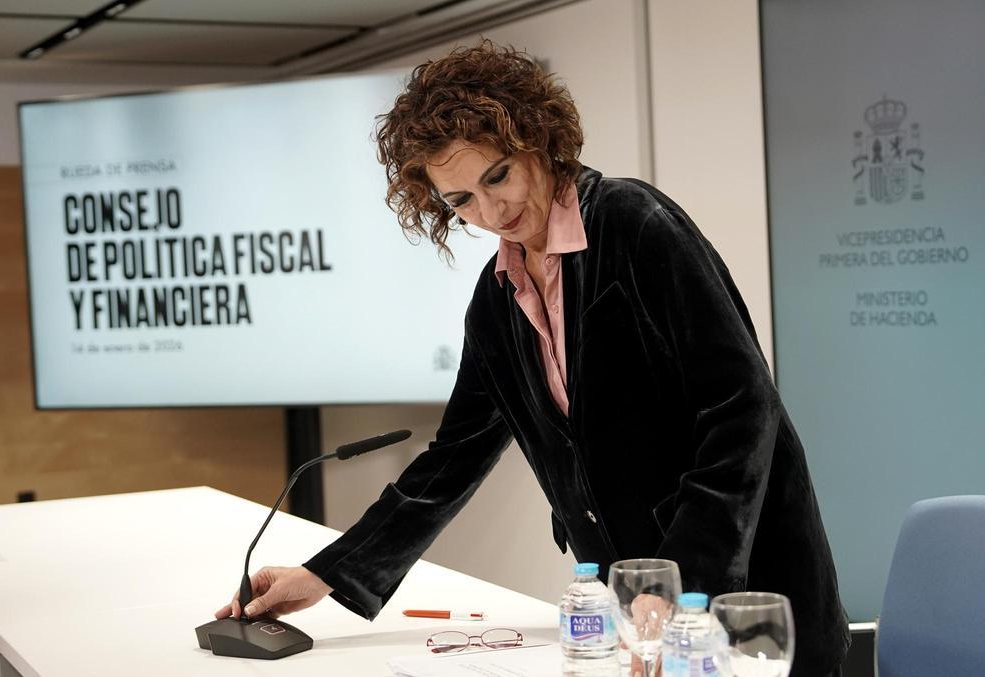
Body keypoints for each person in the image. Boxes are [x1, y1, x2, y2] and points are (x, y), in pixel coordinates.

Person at [214, 40, 850, 676]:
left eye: (497, 176)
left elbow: (742, 409)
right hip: (635, 612)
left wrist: (679, 585)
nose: (492, 212)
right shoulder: (496, 301)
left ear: (538, 140)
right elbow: (452, 460)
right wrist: (324, 573)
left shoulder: (635, 225)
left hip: (749, 596)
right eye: (461, 201)